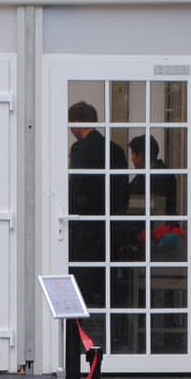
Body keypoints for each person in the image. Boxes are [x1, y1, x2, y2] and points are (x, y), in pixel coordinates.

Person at [67, 101, 127, 264]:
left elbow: (75, 188)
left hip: (84, 228)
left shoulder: (78, 149)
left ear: (77, 122)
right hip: (110, 226)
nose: (70, 130)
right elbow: (123, 192)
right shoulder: (117, 150)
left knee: (83, 282)